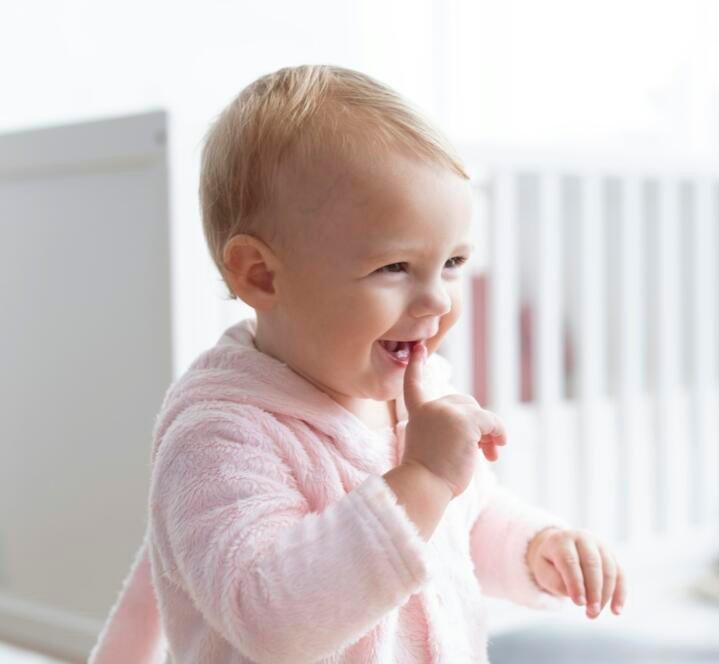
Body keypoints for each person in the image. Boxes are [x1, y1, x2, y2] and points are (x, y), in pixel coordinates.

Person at [88, 64, 627, 664]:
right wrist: (421, 477)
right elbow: (271, 623)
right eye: (394, 267)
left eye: (452, 262)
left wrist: (536, 548)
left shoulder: (416, 392)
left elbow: (465, 521)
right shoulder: (220, 438)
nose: (438, 300)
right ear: (262, 275)